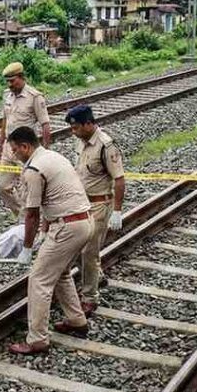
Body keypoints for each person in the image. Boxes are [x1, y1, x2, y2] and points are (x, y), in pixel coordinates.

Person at [6, 126, 93, 355]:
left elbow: (32, 214)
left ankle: (37, 339)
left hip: (67, 226)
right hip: (84, 220)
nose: (14, 154)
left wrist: (27, 248)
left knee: (39, 279)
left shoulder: (34, 169)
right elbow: (53, 198)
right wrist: (45, 231)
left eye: (15, 150)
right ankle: (77, 320)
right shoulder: (52, 156)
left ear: (25, 146)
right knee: (61, 272)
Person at [67, 105, 125, 315]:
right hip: (80, 204)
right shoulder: (80, 141)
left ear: (89, 124)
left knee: (88, 253)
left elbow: (119, 179)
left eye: (76, 127)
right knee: (75, 248)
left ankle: (90, 298)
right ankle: (96, 276)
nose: (73, 131)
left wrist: (117, 210)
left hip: (99, 206)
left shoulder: (106, 146)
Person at [0, 62, 51, 217]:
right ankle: (22, 215)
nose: (10, 84)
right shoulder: (7, 95)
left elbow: (45, 125)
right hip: (9, 148)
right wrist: (0, 144)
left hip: (25, 150)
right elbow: (5, 120)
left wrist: (45, 151)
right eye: (8, 81)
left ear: (21, 77)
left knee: (27, 188)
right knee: (2, 186)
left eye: (12, 81)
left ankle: (30, 218)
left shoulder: (35, 97)